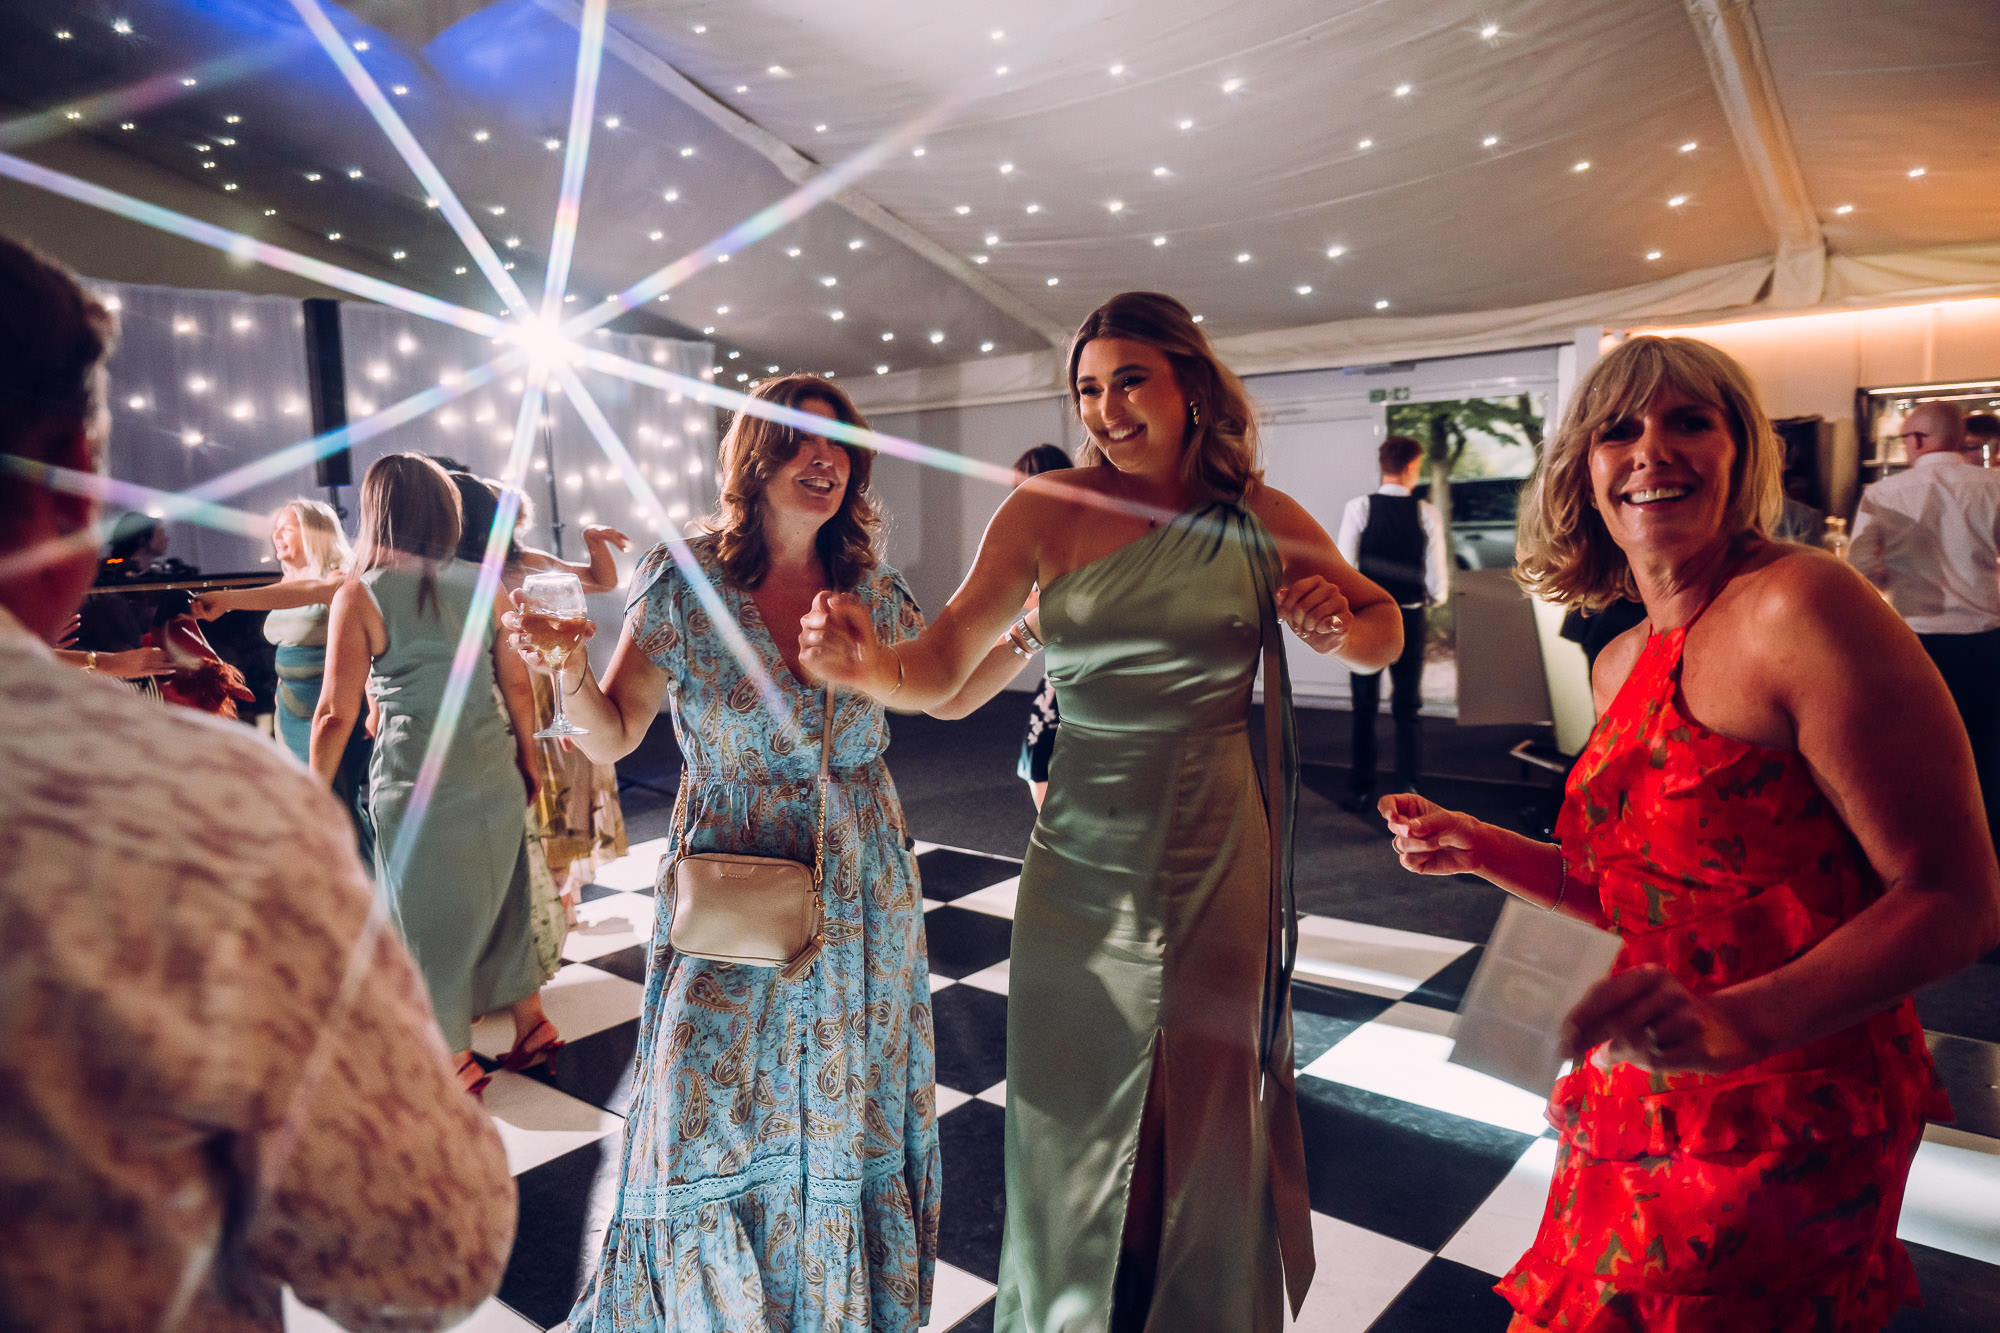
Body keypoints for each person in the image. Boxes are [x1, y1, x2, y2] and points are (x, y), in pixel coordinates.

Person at [800, 292, 1403, 1332]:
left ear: (1190, 388)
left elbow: (1381, 626)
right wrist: (868, 669)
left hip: (1218, 840)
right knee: (1070, 1096)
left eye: (1130, 381)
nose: (1106, 408)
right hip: (1081, 845)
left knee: (1203, 1089)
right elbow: (941, 662)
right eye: (1087, 388)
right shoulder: (1044, 510)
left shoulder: (1256, 515)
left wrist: (1336, 628)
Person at [1382, 335, 2000, 1331]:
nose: (1650, 450)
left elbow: (1955, 896)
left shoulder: (1799, 602)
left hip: (1788, 1097)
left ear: (1738, 452)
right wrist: (1480, 847)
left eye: (1688, 422)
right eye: (1618, 430)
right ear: (1582, 469)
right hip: (1646, 1078)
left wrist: (1737, 1023)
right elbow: (1638, 897)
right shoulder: (1620, 658)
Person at [0, 235, 513, 1329]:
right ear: (76, 482)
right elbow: (427, 1255)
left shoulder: (356, 588)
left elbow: (335, 681)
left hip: (386, 760)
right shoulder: (205, 809)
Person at [507, 375, 939, 1332]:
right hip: (729, 876)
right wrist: (564, 668)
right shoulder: (683, 579)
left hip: (858, 879)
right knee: (694, 1094)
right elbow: (613, 733)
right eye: (799, 441)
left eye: (839, 446)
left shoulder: (873, 588)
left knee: (844, 1100)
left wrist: (1027, 624)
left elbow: (941, 688)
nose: (824, 461)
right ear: (755, 457)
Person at [310, 453, 553, 1094]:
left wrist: (310, 789)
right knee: (505, 902)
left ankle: (452, 1056)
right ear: (445, 512)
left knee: (422, 921)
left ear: (375, 513)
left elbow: (334, 713)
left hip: (414, 780)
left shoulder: (359, 593)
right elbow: (517, 686)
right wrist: (528, 760)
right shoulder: (485, 582)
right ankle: (532, 1026)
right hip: (492, 766)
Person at [1850, 399, 2000, 850]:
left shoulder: (1883, 494)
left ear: (1917, 440)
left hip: (1917, 641)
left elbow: (1859, 567)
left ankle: (1934, 846)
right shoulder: (1994, 485)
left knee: (1925, 751)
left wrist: (1889, 573)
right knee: (1988, 750)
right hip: (1987, 639)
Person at [193, 499, 372, 858]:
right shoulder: (286, 582)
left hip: (332, 711)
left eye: (286, 528)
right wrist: (280, 689)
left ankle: (362, 881)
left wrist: (228, 599)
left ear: (315, 533)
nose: (276, 536)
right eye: (275, 529)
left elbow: (310, 596)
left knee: (336, 805)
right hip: (290, 713)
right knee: (307, 807)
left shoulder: (340, 578)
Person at [1334, 434, 1448, 809]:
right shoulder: (1426, 513)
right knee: (1407, 706)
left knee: (1364, 703)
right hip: (1409, 616)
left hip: (1366, 619)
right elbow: (1437, 580)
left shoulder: (1358, 507)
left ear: (1383, 465)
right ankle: (1408, 785)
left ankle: (1360, 784)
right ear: (1412, 467)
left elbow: (1345, 567)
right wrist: (1432, 598)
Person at [1011, 443, 1073, 808]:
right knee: (1040, 761)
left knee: (1040, 762)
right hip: (1062, 668)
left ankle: (1054, 836)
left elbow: (1056, 602)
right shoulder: (1071, 532)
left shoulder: (1057, 538)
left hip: (1069, 673)